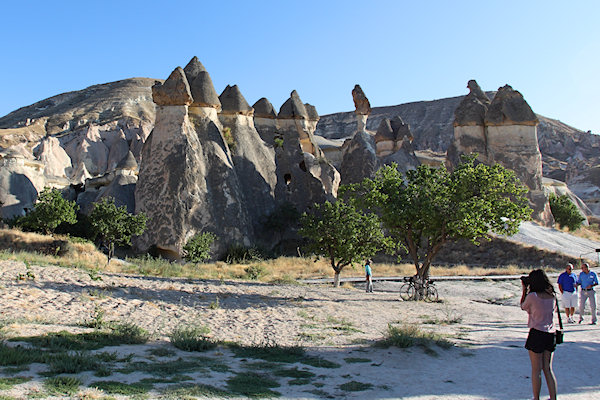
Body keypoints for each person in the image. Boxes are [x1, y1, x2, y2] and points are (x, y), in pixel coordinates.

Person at [520, 269, 558, 400]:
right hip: (550, 333)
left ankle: (536, 397)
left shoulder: (533, 296)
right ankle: (553, 397)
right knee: (547, 369)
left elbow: (523, 306)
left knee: (536, 370)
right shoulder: (552, 296)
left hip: (537, 332)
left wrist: (524, 290)